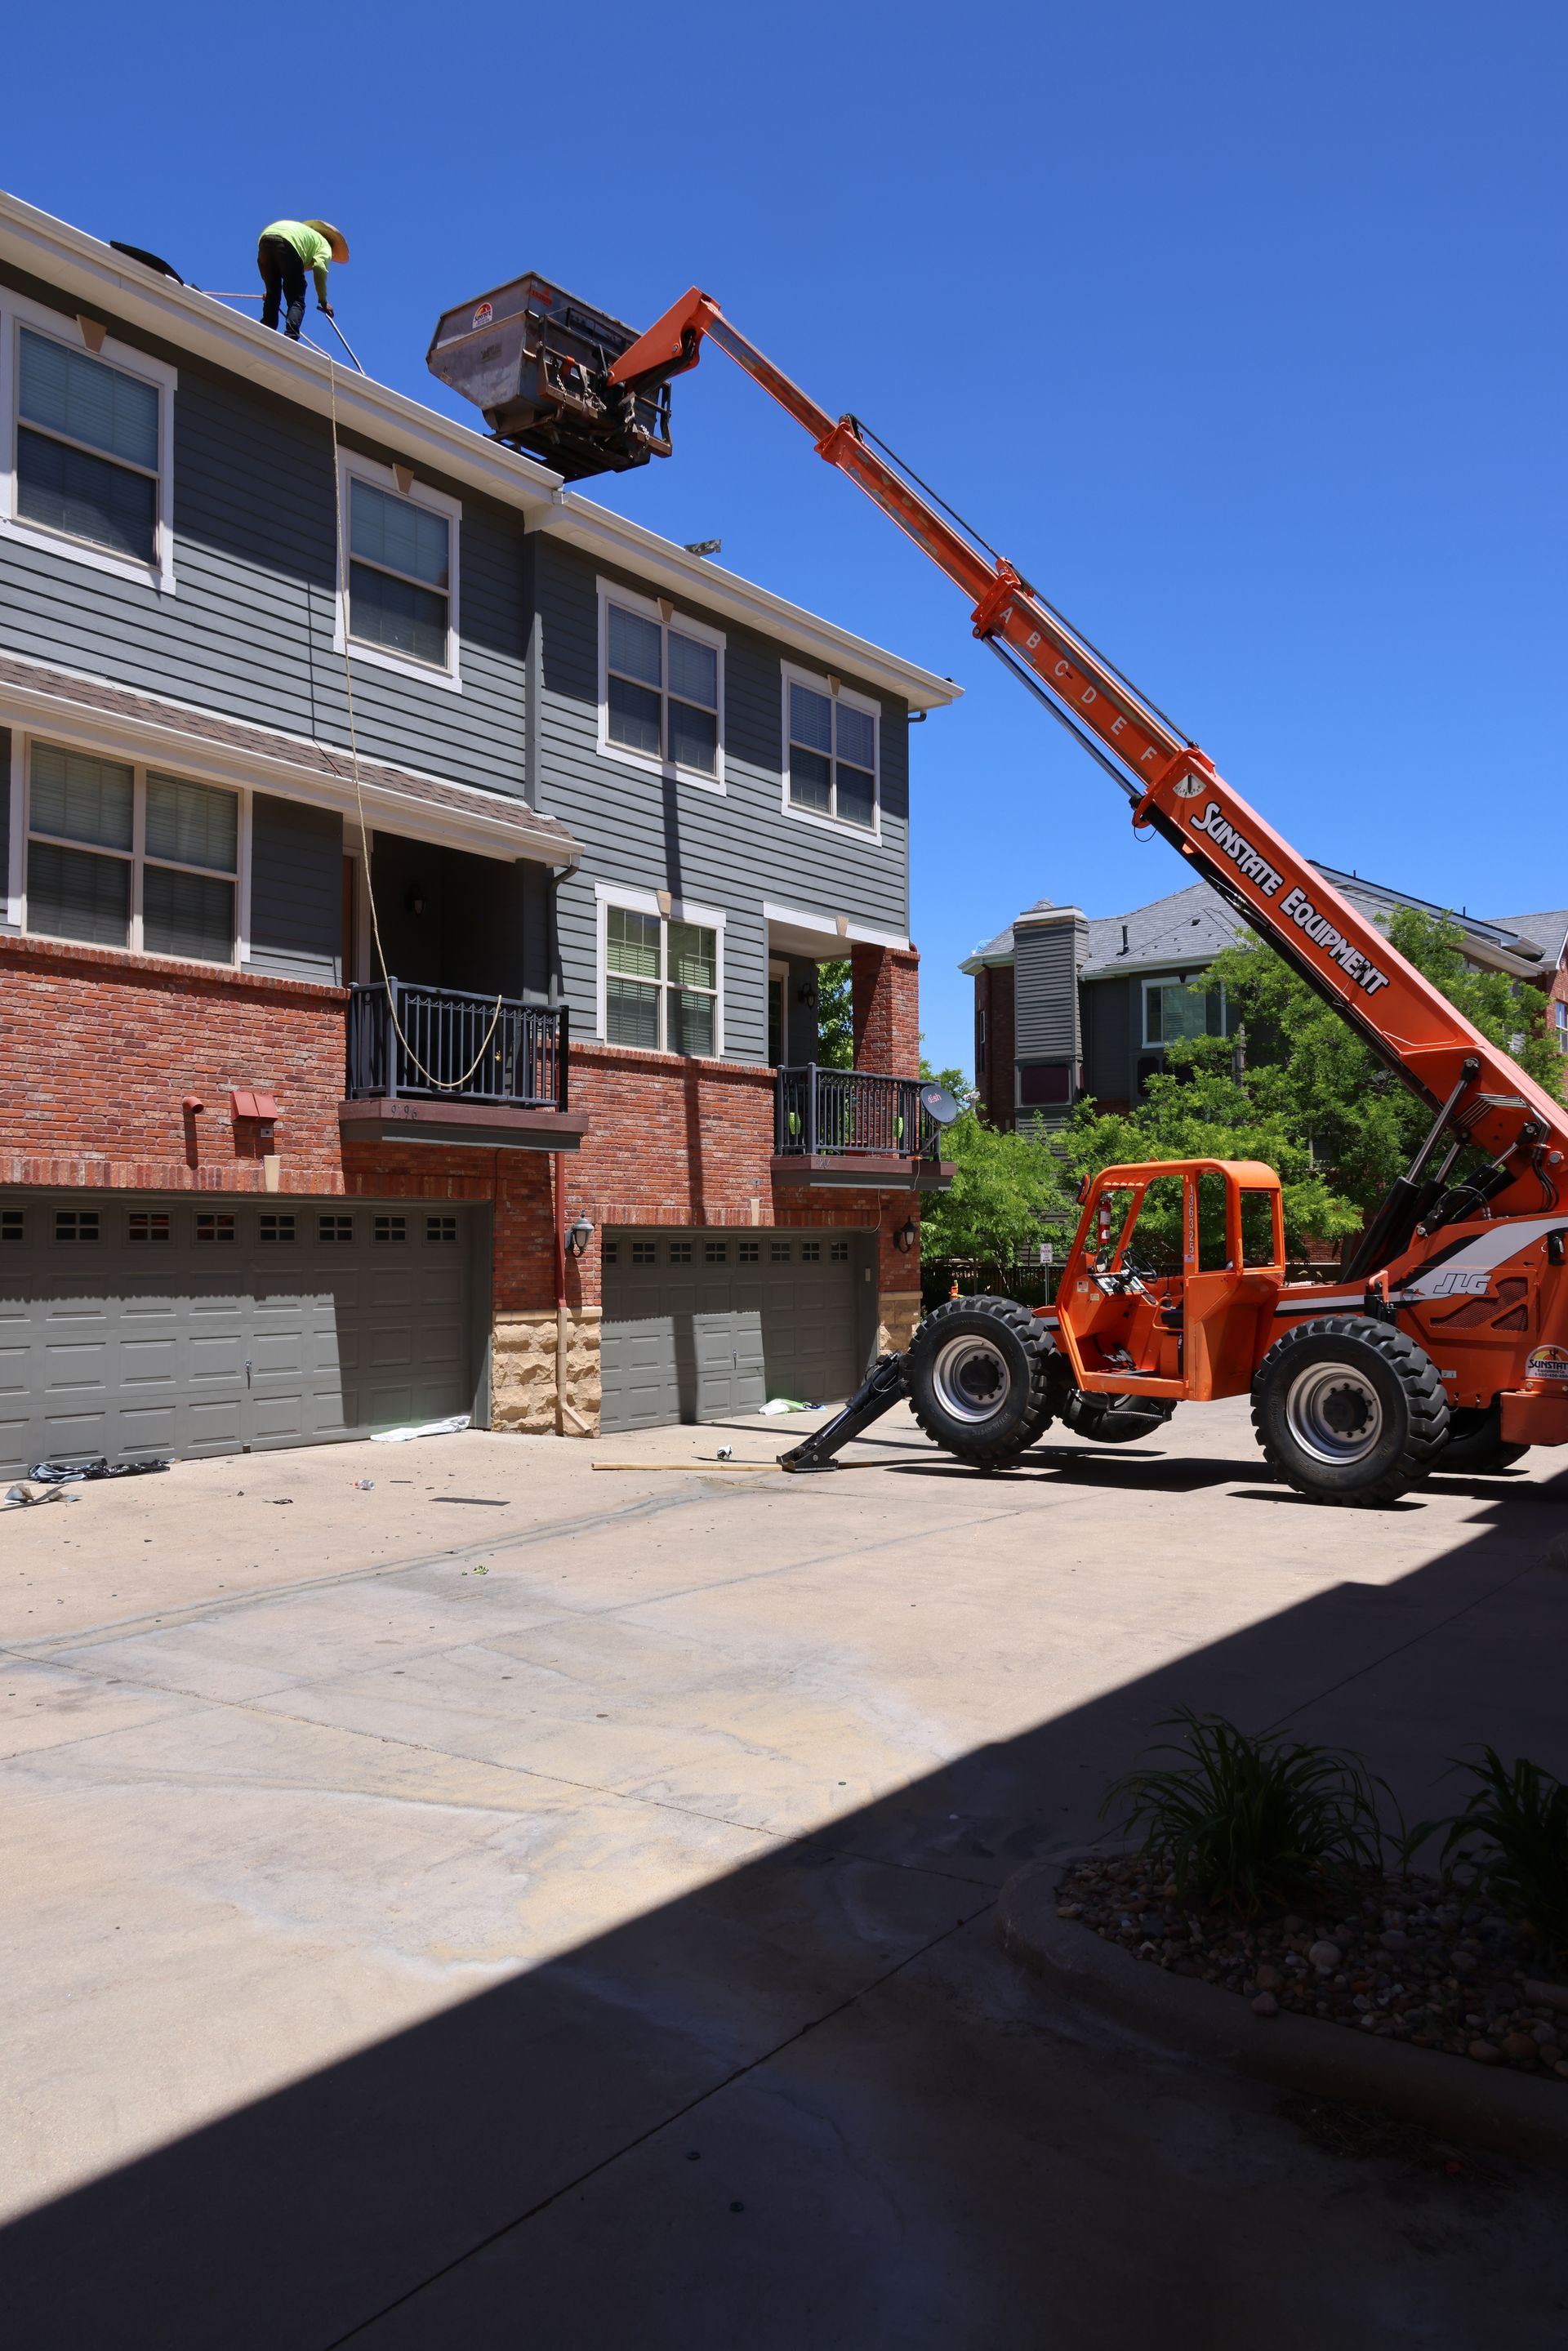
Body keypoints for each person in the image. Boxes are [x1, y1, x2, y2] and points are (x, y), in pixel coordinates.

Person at [256, 220, 349, 341]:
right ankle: (290, 338)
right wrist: (323, 300)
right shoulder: (325, 245)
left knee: (273, 295)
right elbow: (319, 267)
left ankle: (264, 332)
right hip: (288, 244)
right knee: (296, 299)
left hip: (265, 241)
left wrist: (269, 289)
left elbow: (281, 265)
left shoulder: (306, 237)